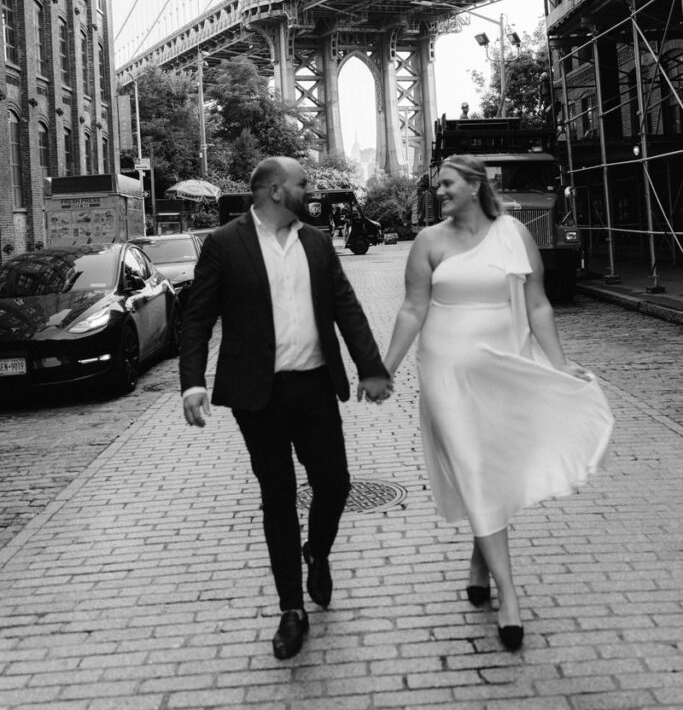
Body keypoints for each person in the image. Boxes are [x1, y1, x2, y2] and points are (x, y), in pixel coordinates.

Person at [383, 153, 613, 652]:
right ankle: (510, 595)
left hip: (502, 367)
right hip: (444, 371)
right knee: (471, 466)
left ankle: (479, 561)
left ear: (473, 185)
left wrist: (557, 364)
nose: (439, 191)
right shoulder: (428, 241)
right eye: (437, 185)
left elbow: (537, 304)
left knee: (490, 469)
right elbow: (412, 307)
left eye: (447, 184)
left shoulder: (515, 234)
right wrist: (385, 366)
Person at [179, 156, 392, 661]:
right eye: (301, 184)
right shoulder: (225, 244)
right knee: (277, 498)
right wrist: (192, 383)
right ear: (275, 190)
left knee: (335, 484)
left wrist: (372, 367)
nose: (309, 190)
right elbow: (197, 318)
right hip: (259, 397)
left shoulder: (317, 242)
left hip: (316, 388)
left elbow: (346, 308)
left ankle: (317, 551)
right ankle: (291, 609)